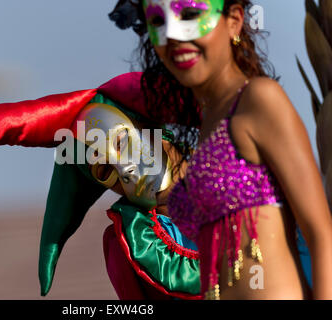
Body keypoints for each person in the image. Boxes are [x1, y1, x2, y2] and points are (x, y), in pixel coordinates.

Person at [0, 72, 201, 300]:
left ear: (151, 129)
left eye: (122, 141)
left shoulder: (234, 160)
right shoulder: (133, 243)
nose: (126, 169)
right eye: (105, 169)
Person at [115, 0, 332, 299]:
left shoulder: (259, 100)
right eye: (157, 21)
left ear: (234, 20)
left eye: (190, 15)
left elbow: (322, 235)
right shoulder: (209, 124)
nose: (174, 35)